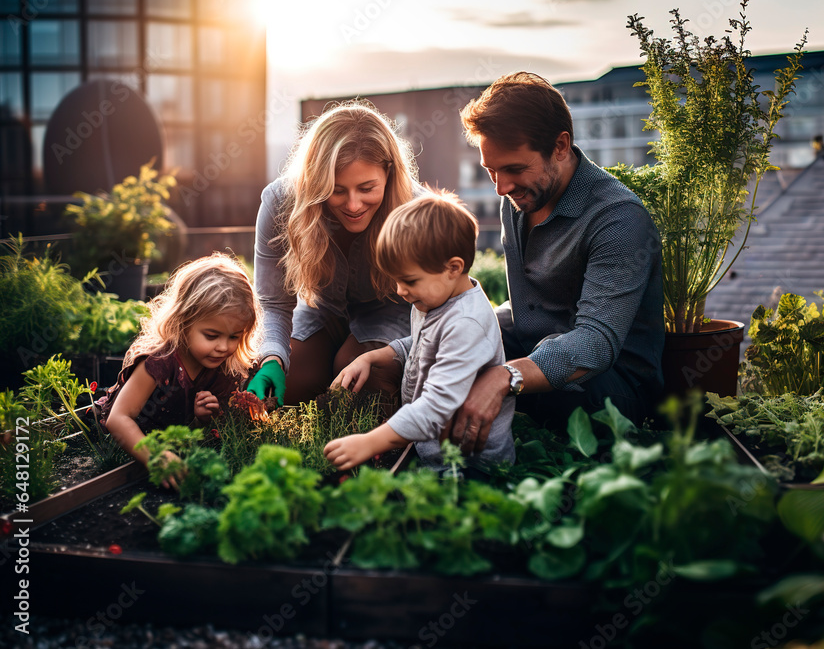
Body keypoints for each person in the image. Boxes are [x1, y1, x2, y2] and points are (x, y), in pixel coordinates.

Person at [448, 71, 665, 452]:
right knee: (441, 354)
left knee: (538, 389)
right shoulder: (517, 199)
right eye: (491, 171)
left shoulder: (618, 219)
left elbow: (595, 343)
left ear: (560, 146)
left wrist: (506, 375)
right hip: (534, 354)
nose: (501, 187)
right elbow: (525, 308)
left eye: (514, 169)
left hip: (608, 387)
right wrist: (407, 346)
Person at [323, 191, 515, 473]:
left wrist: (371, 442)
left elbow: (436, 409)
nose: (400, 291)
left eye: (409, 281)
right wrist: (371, 358)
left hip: (468, 465)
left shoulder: (466, 324)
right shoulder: (435, 299)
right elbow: (422, 343)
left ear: (453, 268)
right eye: (396, 280)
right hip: (434, 450)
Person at [248, 101, 420, 406]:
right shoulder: (280, 202)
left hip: (391, 312)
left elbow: (445, 304)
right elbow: (274, 302)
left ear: (389, 172)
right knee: (290, 383)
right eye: (337, 190)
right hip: (321, 310)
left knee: (362, 382)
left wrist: (401, 352)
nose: (353, 205)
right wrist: (272, 356)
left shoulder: (419, 211)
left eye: (367, 188)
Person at [97, 254, 261, 485]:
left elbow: (193, 430)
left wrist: (201, 419)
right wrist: (155, 457)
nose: (224, 347)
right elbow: (119, 419)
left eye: (234, 336)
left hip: (171, 446)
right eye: (211, 336)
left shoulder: (221, 367)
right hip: (125, 445)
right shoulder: (158, 362)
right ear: (183, 322)